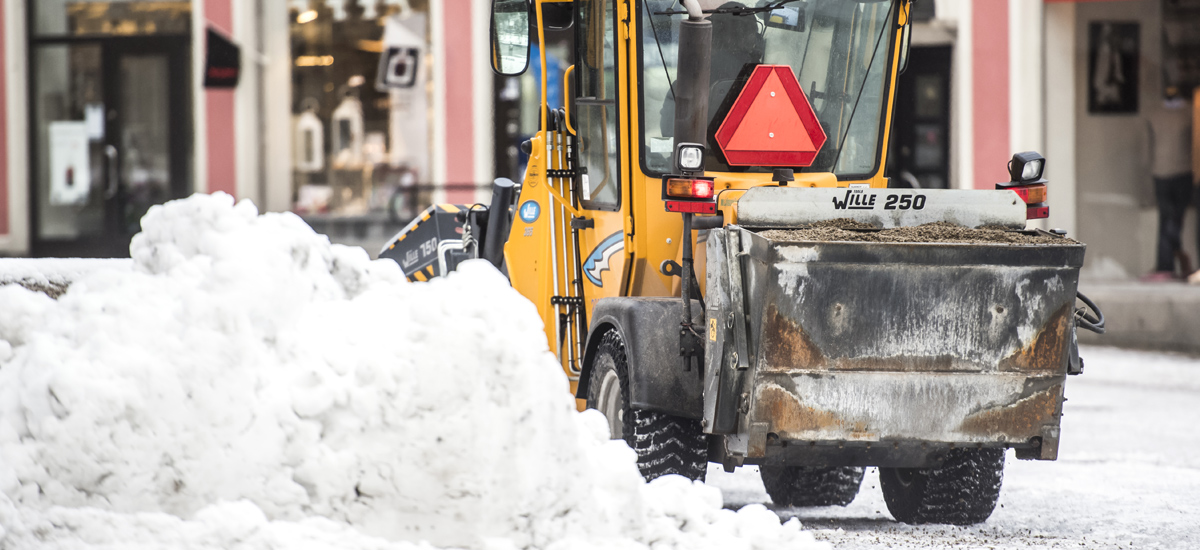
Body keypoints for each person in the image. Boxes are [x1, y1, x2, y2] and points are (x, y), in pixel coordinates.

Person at [1143, 87, 1194, 281]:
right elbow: (1147, 146)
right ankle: (1173, 262)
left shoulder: (1189, 112)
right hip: (1162, 172)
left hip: (1183, 171)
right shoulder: (1155, 113)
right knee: (1168, 219)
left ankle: (1168, 264)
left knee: (1173, 219)